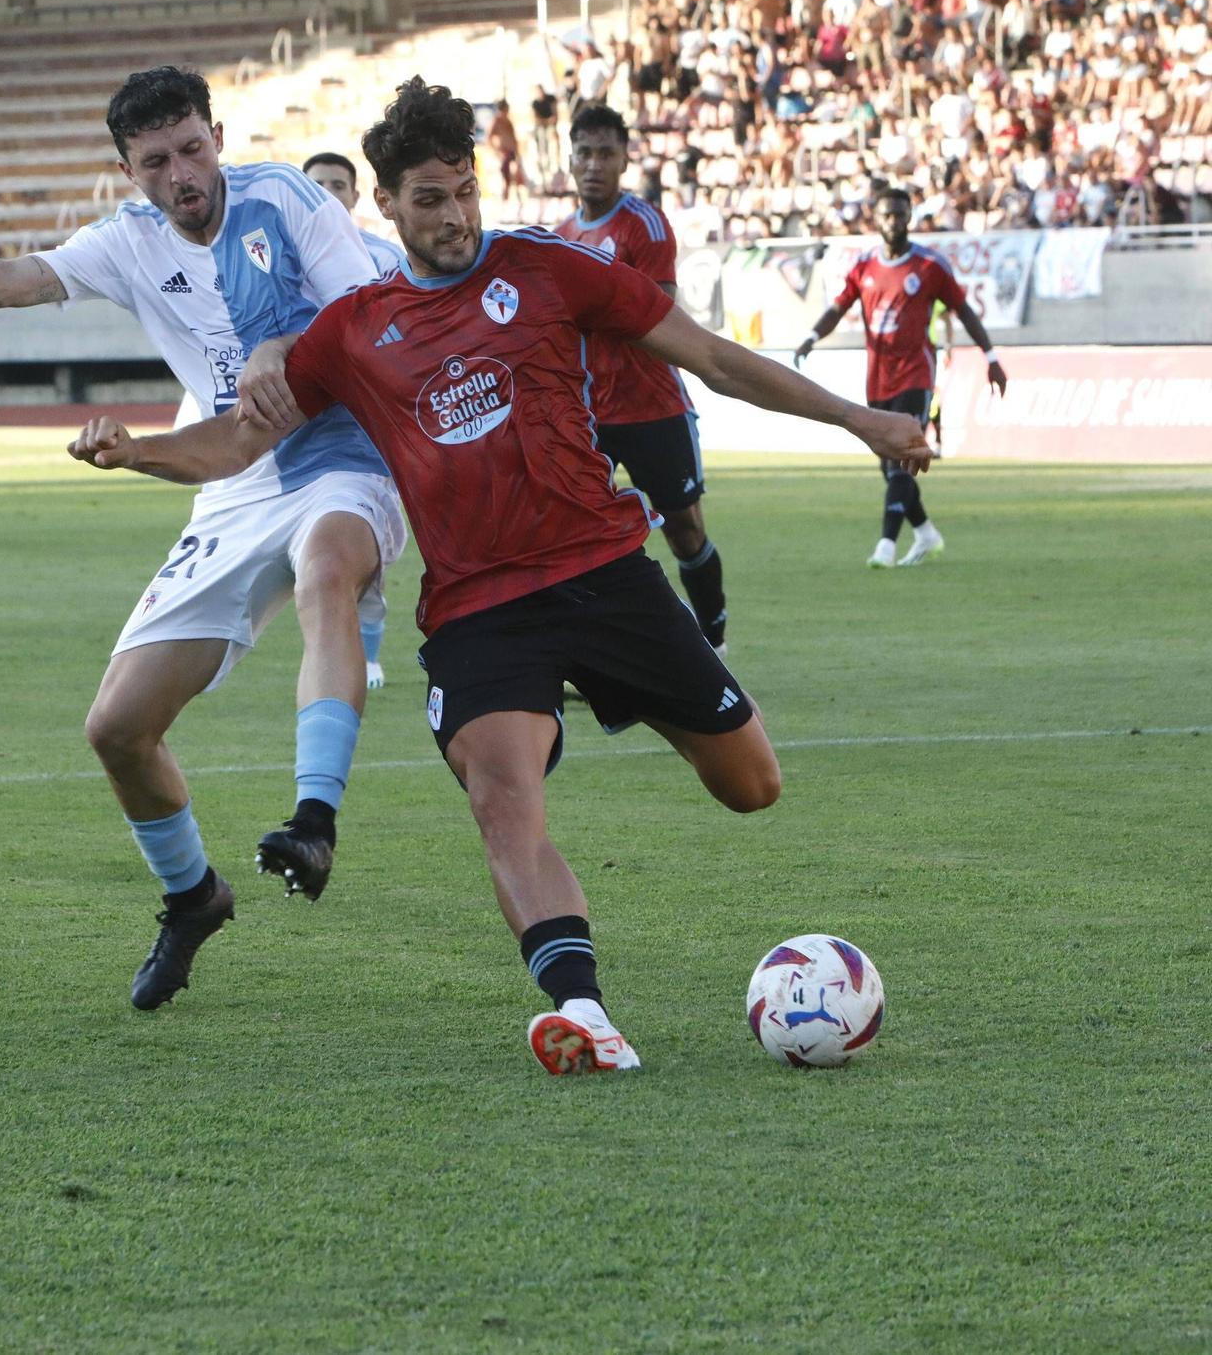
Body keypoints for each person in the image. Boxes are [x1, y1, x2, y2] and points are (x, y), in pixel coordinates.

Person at [69, 77, 930, 1075]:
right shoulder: (352, 329)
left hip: (606, 572)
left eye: (463, 191)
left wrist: (861, 422)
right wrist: (138, 452)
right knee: (500, 792)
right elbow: (231, 444)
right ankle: (581, 1011)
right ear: (384, 208)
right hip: (482, 608)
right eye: (426, 200)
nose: (452, 217)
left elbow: (710, 357)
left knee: (751, 785)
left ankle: (622, 738)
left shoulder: (547, 268)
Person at [0, 67, 406, 1010]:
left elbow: (371, 312)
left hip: (342, 451)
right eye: (157, 161)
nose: (182, 174)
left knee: (326, 570)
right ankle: (193, 896)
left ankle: (313, 819)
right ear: (127, 171)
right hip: (228, 480)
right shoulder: (127, 243)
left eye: (193, 149)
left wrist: (282, 349)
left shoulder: (287, 199)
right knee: (117, 728)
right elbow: (5, 285)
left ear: (218, 134)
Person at [555, 106, 728, 654]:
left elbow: (659, 312)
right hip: (588, 414)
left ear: (626, 158)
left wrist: (586, 312)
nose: (594, 164)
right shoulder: (559, 237)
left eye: (606, 153)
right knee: (578, 534)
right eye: (585, 152)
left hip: (654, 408)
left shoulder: (645, 225)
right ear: (570, 159)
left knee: (684, 531)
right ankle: (598, 656)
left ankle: (715, 644)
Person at [795, 186, 1008, 566]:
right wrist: (811, 336)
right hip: (878, 379)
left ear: (910, 217)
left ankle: (886, 547)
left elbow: (964, 311)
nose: (894, 221)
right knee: (888, 466)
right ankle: (926, 534)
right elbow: (838, 308)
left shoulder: (929, 266)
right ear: (876, 219)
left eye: (900, 214)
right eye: (887, 215)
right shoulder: (864, 268)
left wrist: (990, 356)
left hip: (916, 377)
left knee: (900, 462)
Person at [301, 149, 400, 689]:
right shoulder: (280, 262)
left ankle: (368, 651)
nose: (329, 194)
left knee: (366, 549)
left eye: (339, 185)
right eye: (317, 185)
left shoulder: (385, 258)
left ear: (356, 197)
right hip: (296, 427)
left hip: (366, 426)